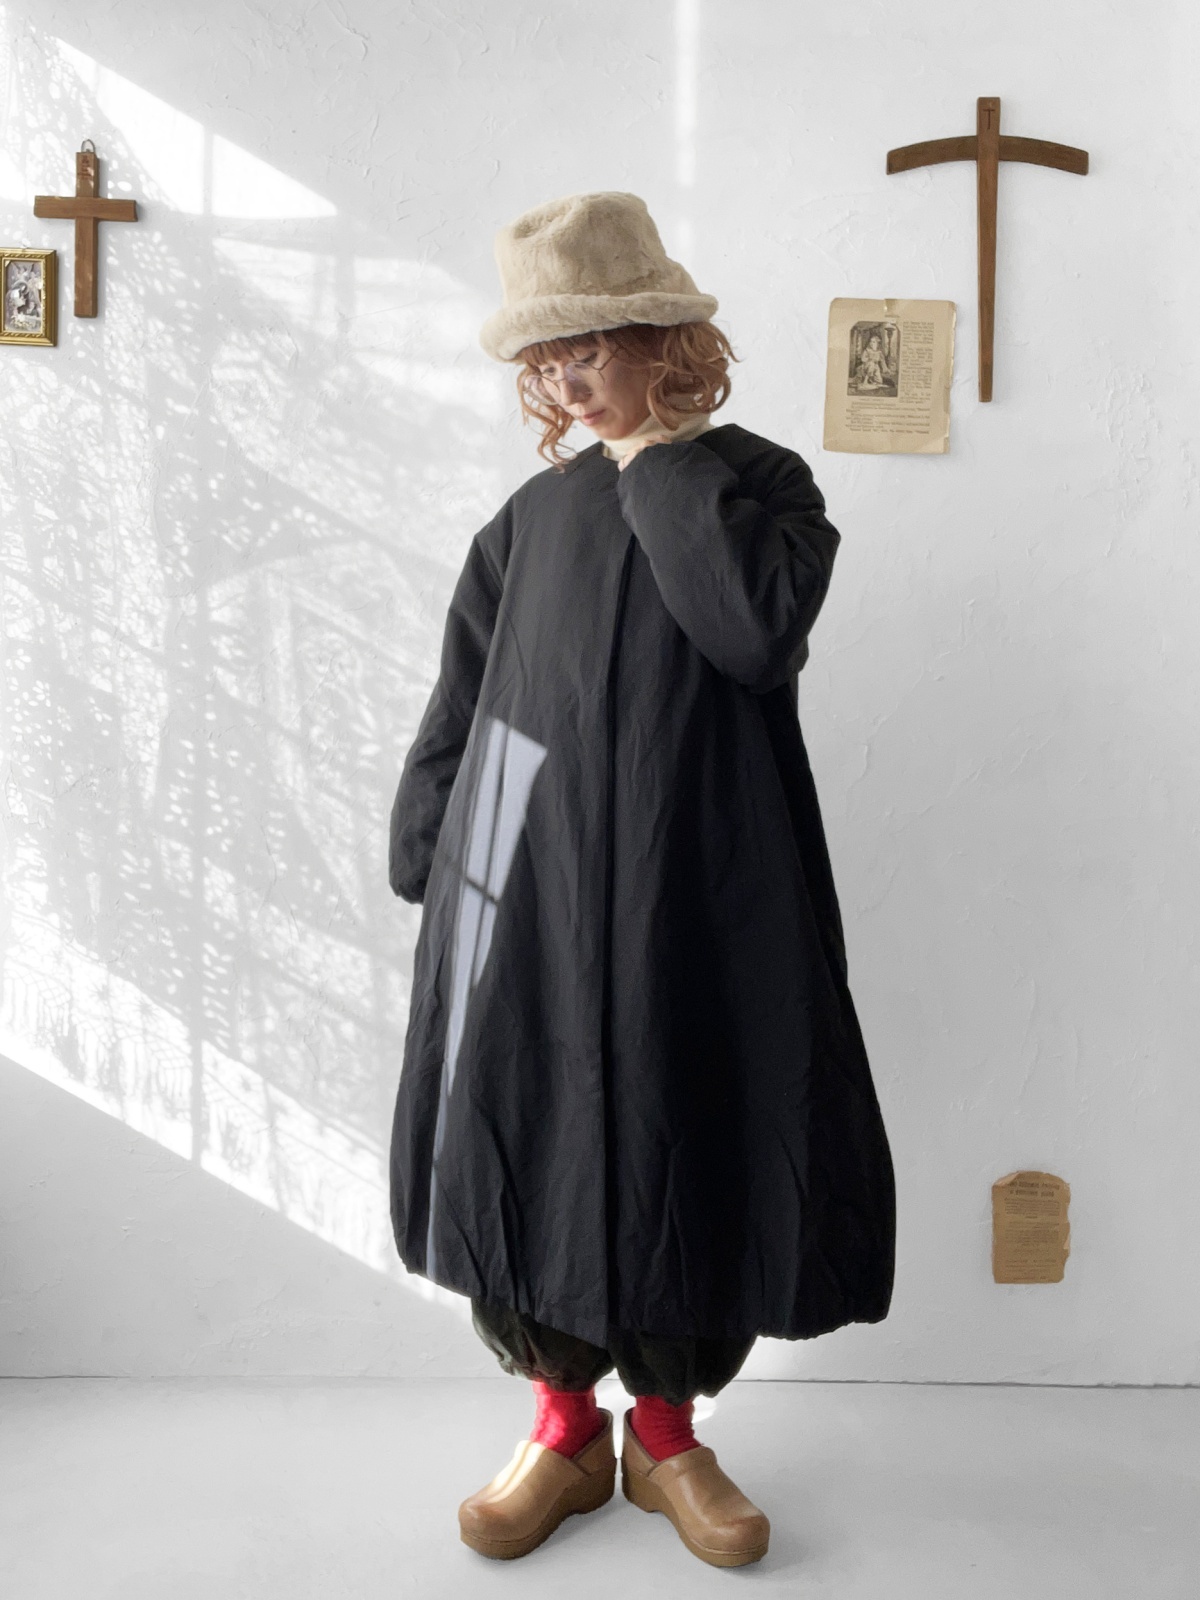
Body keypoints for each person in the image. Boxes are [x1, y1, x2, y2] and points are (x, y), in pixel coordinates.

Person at [387, 190, 896, 1568]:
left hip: (702, 883)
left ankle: (668, 1438)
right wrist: (429, 843)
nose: (563, 382)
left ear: (666, 340)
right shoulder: (527, 521)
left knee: (694, 1116)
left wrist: (660, 459)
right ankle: (562, 1433)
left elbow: (751, 631)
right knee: (530, 1123)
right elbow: (465, 697)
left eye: (589, 348)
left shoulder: (761, 489)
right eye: (544, 359)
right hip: (525, 884)